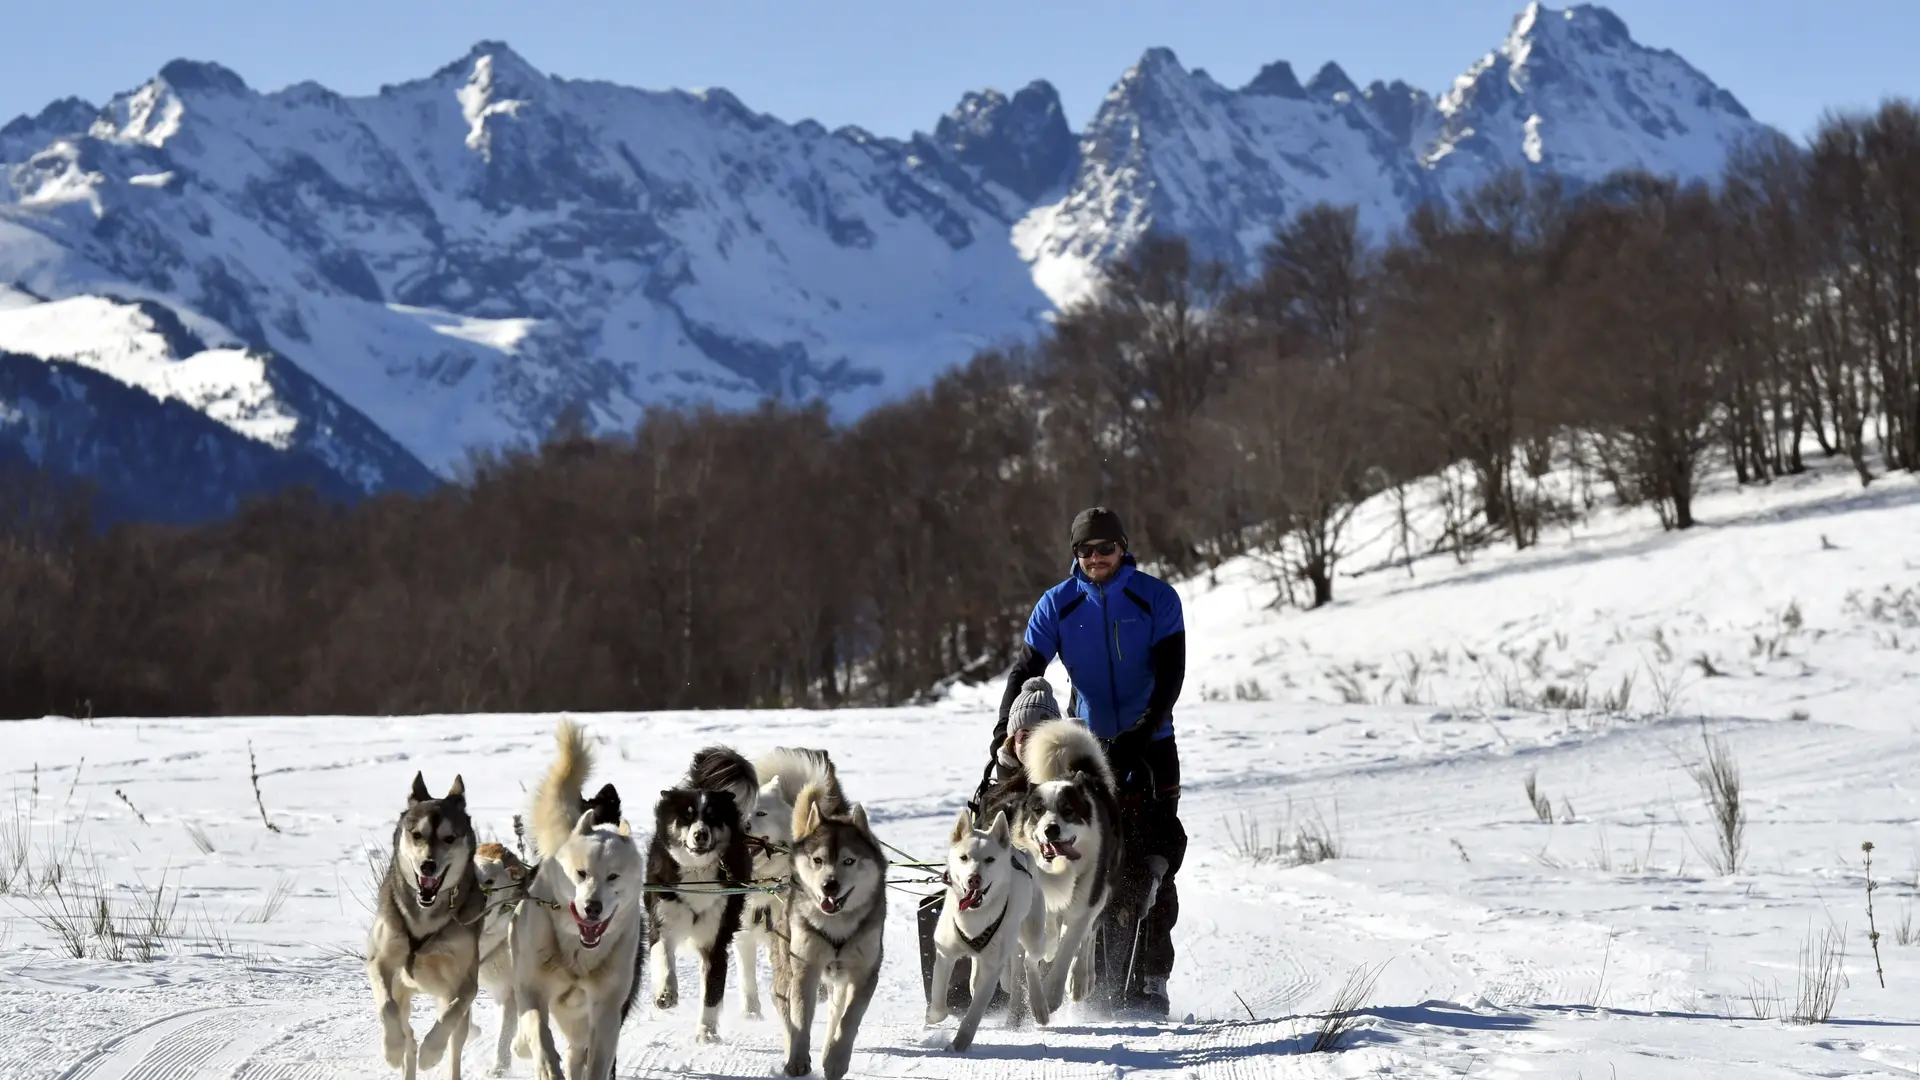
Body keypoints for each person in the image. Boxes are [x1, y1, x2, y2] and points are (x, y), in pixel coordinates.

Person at [978, 506, 1187, 1019]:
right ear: (1075, 555)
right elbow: (1025, 668)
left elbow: (1170, 677)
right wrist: (1003, 731)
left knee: (1152, 857)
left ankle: (1149, 978)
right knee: (1073, 854)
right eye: (1085, 551)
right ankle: (1070, 973)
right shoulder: (1057, 605)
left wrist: (1140, 734)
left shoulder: (1156, 598)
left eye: (1105, 549)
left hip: (1152, 743)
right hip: (1087, 749)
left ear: (1123, 547)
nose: (1096, 558)